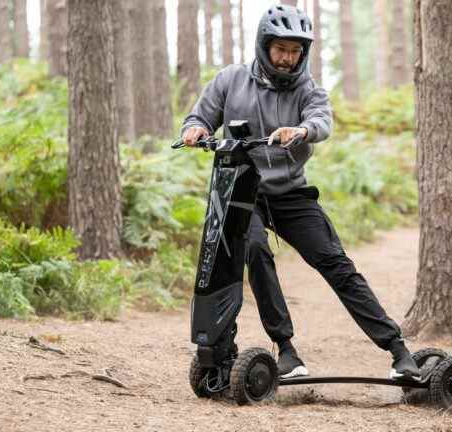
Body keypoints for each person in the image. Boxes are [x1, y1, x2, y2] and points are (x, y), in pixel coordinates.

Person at [180, 4, 420, 380]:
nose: (288, 58)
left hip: (291, 194)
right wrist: (193, 130)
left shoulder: (309, 89)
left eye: (295, 51)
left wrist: (302, 131)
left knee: (336, 263)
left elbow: (321, 120)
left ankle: (398, 349)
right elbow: (199, 117)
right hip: (241, 190)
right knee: (255, 251)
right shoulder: (230, 80)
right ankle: (286, 350)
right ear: (264, 45)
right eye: (281, 49)